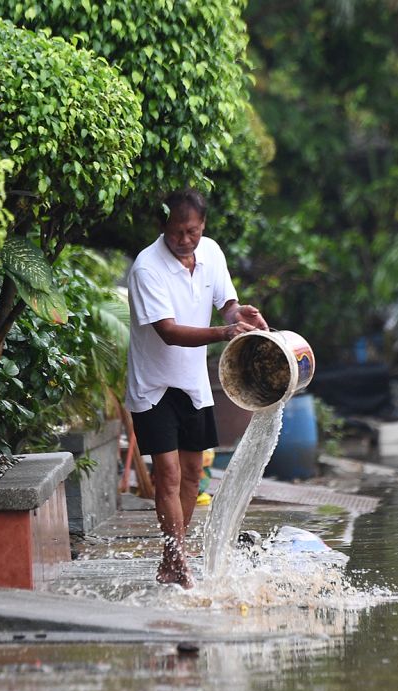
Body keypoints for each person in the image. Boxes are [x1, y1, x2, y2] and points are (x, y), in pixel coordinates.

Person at [125, 188, 268, 589]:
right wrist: (224, 331)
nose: (185, 240)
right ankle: (174, 556)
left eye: (192, 231)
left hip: (192, 383)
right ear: (163, 227)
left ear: (203, 226)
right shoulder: (146, 268)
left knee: (192, 476)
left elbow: (227, 304)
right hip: (152, 386)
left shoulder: (212, 253)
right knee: (167, 476)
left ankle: (174, 555)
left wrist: (242, 314)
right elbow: (168, 332)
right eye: (176, 233)